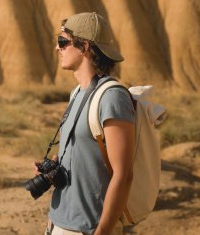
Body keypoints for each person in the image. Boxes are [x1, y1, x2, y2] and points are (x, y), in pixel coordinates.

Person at [44, 12, 135, 235]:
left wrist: (102, 231)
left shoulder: (112, 97)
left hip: (89, 228)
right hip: (59, 223)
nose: (58, 48)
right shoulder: (77, 93)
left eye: (63, 42)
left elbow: (123, 175)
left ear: (84, 46)